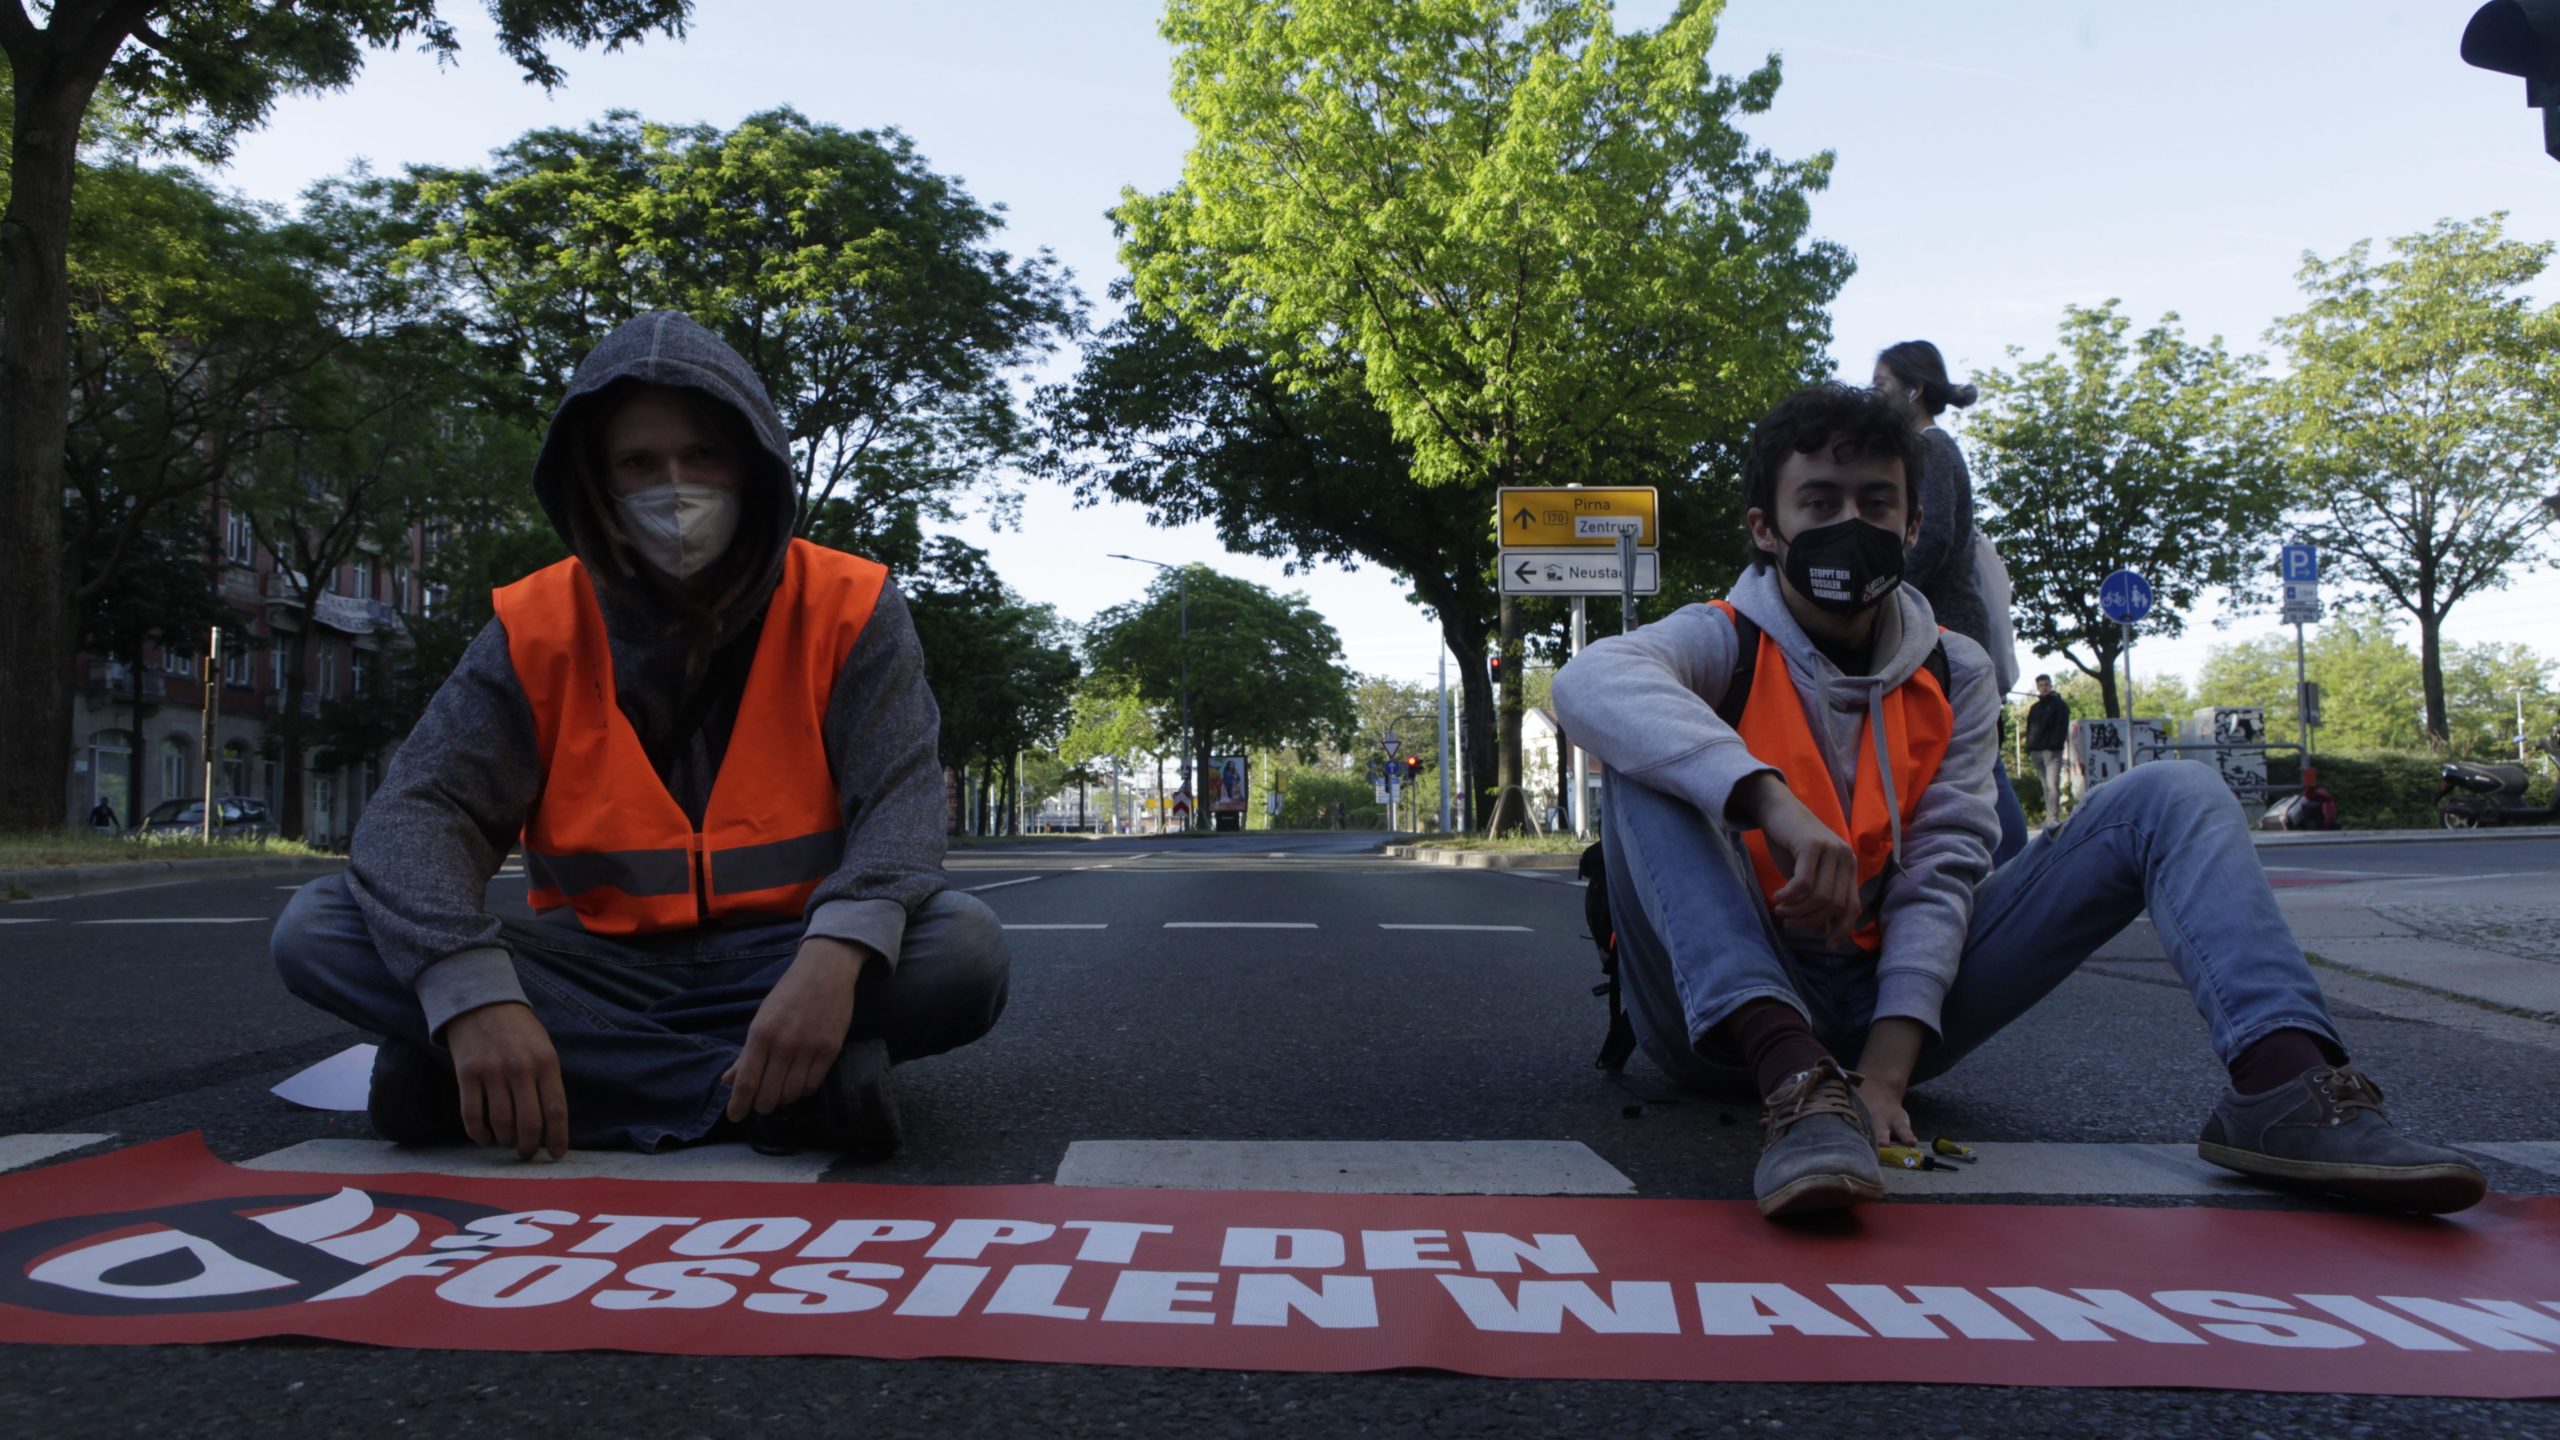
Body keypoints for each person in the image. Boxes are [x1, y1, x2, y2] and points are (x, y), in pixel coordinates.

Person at [1554, 382, 2483, 1222]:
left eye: (1876, 502)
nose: (1852, 523)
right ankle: (1795, 1082)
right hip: (1717, 1027)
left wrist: (1884, 1072)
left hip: (1893, 1012)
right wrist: (1769, 799)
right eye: (1821, 503)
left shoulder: (1956, 669)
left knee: (2177, 794)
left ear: (1913, 525)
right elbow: (1588, 681)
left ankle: (2284, 1084)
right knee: (1641, 753)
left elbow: (1949, 863)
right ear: (1766, 527)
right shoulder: (1718, 641)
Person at [271, 311, 1008, 1162]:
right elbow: (417, 815)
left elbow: (902, 807)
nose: (676, 487)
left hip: (786, 961)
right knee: (318, 924)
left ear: (754, 464)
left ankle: (522, 1084)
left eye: (703, 456)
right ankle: (767, 1094)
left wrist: (836, 956)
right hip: (593, 967)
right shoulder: (537, 625)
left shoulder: (849, 606)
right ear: (599, 484)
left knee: (964, 947)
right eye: (639, 463)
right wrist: (478, 997)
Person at [1871, 341, 2028, 866]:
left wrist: (1875, 592)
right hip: (1945, 626)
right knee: (1967, 756)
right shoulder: (1929, 449)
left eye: (1881, 386)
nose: (1875, 397)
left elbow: (1932, 537)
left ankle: (2015, 873)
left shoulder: (1931, 449)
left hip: (1945, 630)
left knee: (1975, 758)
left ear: (1912, 389)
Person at [2023, 673, 2072, 826]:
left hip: (2051, 751)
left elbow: (2062, 727)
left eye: (2046, 684)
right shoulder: (2035, 708)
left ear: (2050, 685)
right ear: (2037, 687)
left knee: (2052, 785)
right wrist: (2029, 746)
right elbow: (2029, 728)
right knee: (2045, 785)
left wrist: (2054, 745)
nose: (2043, 688)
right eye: (2040, 685)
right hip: (2036, 751)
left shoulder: (2059, 705)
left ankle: (2053, 817)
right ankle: (2050, 815)